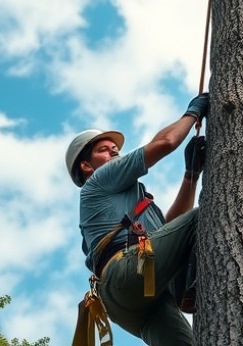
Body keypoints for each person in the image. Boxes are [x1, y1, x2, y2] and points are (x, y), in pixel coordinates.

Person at [66, 92, 209, 346]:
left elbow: (170, 228)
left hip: (130, 301)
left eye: (116, 149)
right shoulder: (99, 181)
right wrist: (193, 112)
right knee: (210, 213)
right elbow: (165, 142)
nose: (115, 153)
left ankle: (187, 286)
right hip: (129, 271)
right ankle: (190, 284)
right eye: (104, 150)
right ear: (87, 166)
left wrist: (191, 176)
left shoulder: (131, 200)